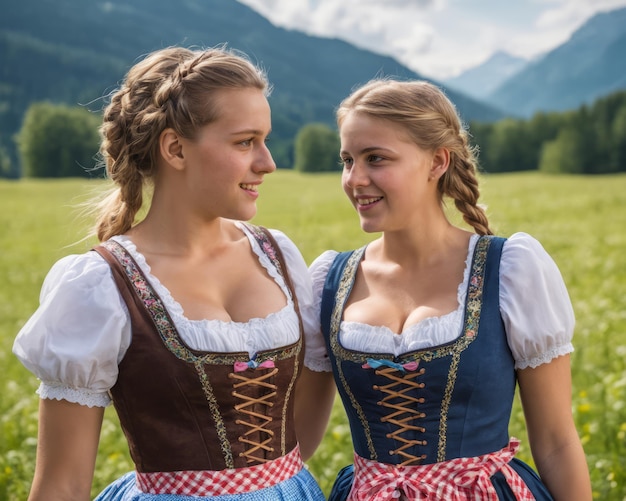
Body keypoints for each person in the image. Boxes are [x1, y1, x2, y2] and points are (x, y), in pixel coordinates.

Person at [13, 46, 335, 501]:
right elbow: (61, 485)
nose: (267, 162)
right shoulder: (100, 286)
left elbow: (300, 434)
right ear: (175, 148)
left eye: (264, 140)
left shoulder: (276, 255)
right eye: (245, 142)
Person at [305, 78, 592, 500]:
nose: (355, 178)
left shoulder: (510, 268)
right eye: (347, 160)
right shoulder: (329, 280)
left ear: (437, 161)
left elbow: (556, 440)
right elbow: (297, 438)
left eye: (376, 158)